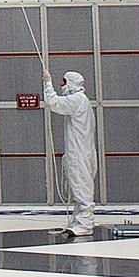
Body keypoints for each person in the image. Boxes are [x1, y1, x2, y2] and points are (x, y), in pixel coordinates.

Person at [43, 70, 97, 237]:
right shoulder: (81, 100)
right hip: (83, 150)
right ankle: (78, 221)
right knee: (78, 188)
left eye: (64, 82)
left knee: (82, 188)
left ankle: (85, 224)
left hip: (79, 152)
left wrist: (47, 84)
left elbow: (54, 103)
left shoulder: (77, 100)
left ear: (72, 83)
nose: (62, 85)